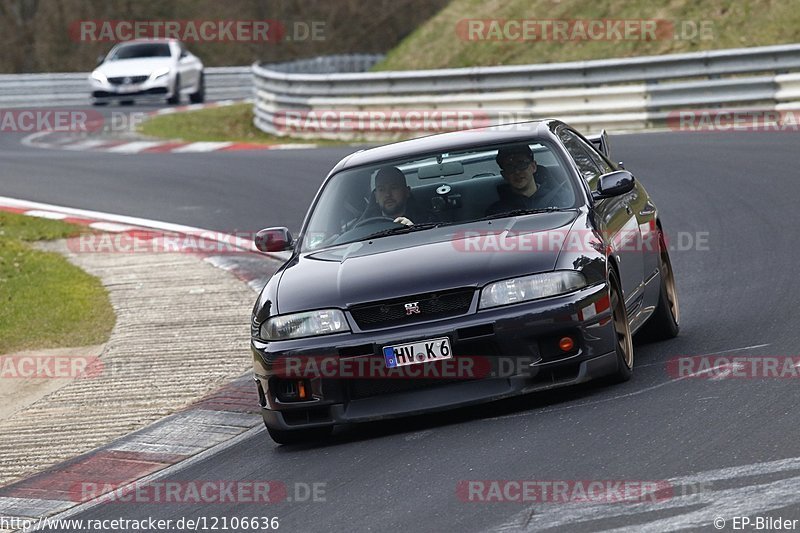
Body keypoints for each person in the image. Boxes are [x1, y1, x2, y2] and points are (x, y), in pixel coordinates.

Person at [485, 144, 560, 216]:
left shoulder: (562, 199)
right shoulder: (496, 212)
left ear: (533, 167)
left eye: (521, 165)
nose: (517, 172)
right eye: (510, 167)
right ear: (504, 175)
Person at [360, 166, 433, 226]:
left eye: (393, 188)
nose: (388, 194)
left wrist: (415, 229)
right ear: (376, 196)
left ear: (407, 192)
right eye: (382, 189)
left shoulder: (427, 220)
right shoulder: (365, 226)